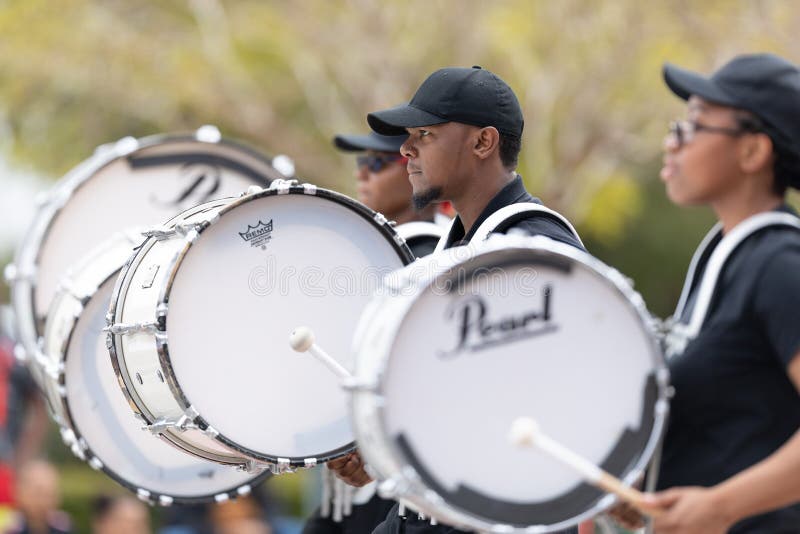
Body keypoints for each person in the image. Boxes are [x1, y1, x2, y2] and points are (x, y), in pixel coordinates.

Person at [328, 66, 584, 534]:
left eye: (424, 134)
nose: (406, 149)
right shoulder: (458, 246)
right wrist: (388, 452)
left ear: (483, 143)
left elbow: (532, 410)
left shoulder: (532, 249)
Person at [615, 53, 800, 533]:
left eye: (693, 125)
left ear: (753, 152)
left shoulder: (780, 265)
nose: (671, 142)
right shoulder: (725, 253)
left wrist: (722, 506)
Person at [333, 131, 442, 257]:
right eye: (363, 161)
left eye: (377, 162)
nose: (360, 174)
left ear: (418, 169)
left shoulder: (429, 259)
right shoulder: (377, 246)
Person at [7, 460, 72, 534]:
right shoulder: (10, 528)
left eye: (50, 495)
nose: (44, 502)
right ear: (20, 493)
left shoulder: (63, 527)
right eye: (38, 494)